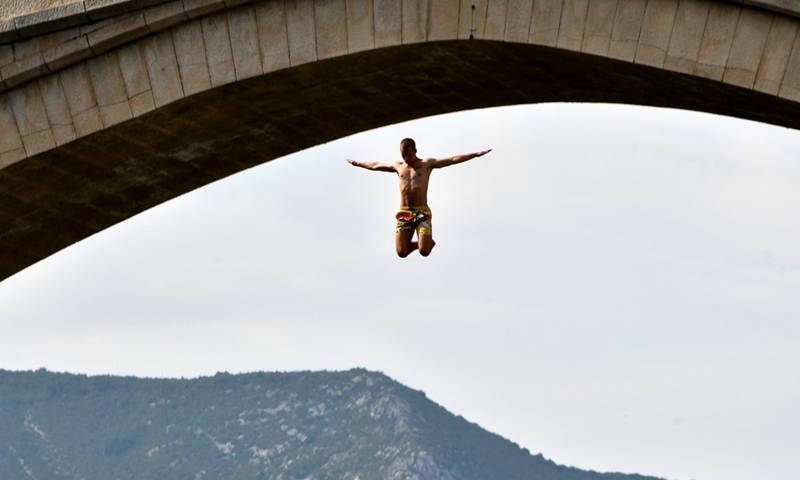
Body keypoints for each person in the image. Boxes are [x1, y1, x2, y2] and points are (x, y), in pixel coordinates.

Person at [347, 138, 491, 258]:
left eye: (409, 155)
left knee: (424, 252)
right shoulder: (398, 166)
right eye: (403, 155)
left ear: (415, 151)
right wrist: (359, 163)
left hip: (421, 212)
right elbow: (376, 165)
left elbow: (452, 159)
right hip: (404, 212)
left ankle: (427, 244)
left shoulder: (426, 164)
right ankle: (425, 241)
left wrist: (476, 154)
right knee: (401, 252)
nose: (406, 159)